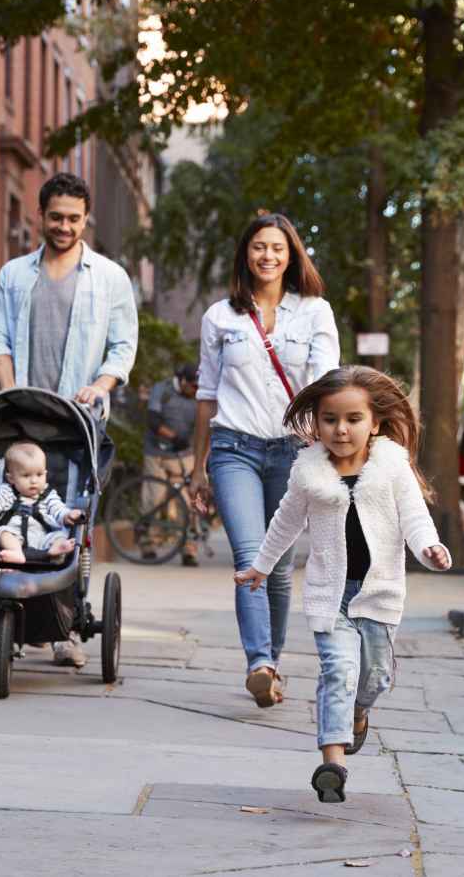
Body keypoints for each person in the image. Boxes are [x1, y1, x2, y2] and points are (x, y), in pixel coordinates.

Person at [234, 366, 451, 803]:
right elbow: (285, 523)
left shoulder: (391, 466)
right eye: (330, 419)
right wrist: (261, 566)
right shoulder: (308, 473)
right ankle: (332, 761)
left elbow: (414, 515)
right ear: (316, 423)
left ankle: (358, 713)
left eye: (353, 419)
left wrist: (429, 547)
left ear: (374, 423)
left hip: (380, 594)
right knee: (338, 670)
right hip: (329, 595)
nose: (341, 429)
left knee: (372, 679)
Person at [0, 171, 139, 667]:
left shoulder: (110, 277)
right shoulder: (15, 274)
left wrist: (101, 385)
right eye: (56, 217)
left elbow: (123, 346)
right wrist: (8, 388)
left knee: (70, 513)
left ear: (86, 218)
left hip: (78, 420)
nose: (64, 226)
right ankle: (8, 607)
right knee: (10, 508)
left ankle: (62, 629)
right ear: (41, 215)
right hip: (22, 415)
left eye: (74, 218)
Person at [189, 212, 340, 707]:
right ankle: (258, 660)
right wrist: (198, 465)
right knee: (251, 556)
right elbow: (206, 394)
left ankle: (270, 665)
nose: (268, 256)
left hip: (294, 452)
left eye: (277, 248)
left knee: (278, 566)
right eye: (258, 247)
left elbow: (328, 388)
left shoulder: (315, 312)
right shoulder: (220, 317)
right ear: (245, 254)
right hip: (233, 447)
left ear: (291, 254)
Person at [0, 441, 84, 564]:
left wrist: (68, 515)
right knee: (4, 532)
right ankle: (16, 554)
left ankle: (55, 551)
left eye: (39, 474)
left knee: (59, 536)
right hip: (14, 538)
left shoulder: (48, 495)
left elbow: (58, 509)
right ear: (11, 479)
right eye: (26, 476)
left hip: (42, 541)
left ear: (46, 474)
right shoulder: (7, 493)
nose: (34, 481)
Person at [143, 364, 201, 565]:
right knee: (154, 498)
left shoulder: (199, 397)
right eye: (194, 386)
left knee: (188, 502)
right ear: (183, 381)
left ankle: (189, 549)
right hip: (157, 453)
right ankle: (149, 544)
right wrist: (173, 437)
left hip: (184, 455)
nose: (196, 391)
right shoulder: (163, 389)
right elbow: (152, 420)